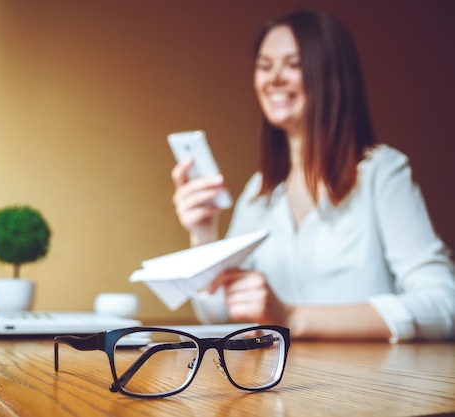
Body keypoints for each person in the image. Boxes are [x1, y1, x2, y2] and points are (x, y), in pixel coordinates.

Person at [171, 9, 455, 342]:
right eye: (264, 66)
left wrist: (291, 317)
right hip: (280, 385)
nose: (274, 78)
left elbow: (443, 304)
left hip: (372, 388)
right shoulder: (259, 192)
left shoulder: (382, 172)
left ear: (331, 74)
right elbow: (218, 312)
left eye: (294, 64)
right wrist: (203, 234)